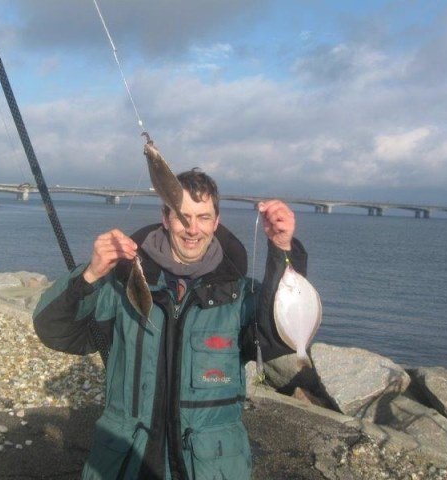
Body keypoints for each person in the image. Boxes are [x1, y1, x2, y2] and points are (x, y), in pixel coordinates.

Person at [33, 168, 307, 480]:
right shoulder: (121, 284)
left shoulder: (241, 295)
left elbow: (279, 338)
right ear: (166, 218)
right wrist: (90, 275)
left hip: (210, 467)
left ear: (216, 222)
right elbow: (53, 331)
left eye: (203, 217)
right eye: (182, 216)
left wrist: (283, 250)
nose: (193, 229)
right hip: (126, 464)